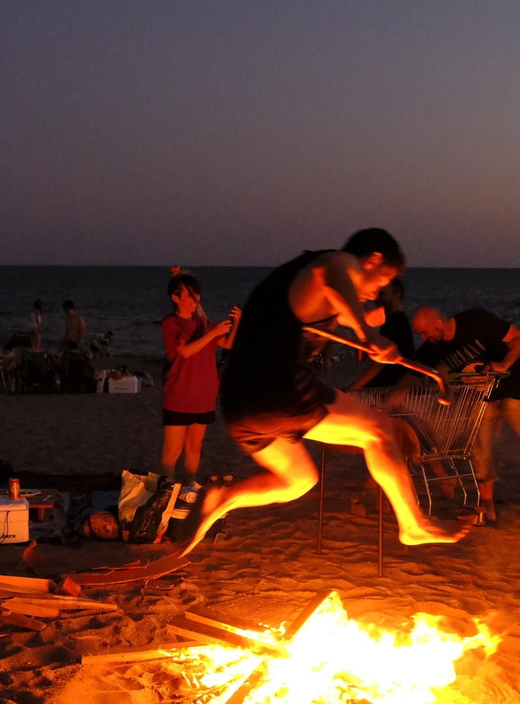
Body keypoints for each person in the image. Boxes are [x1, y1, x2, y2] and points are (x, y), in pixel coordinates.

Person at [184, 228, 464, 553]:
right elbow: (330, 273)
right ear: (372, 260)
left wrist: (368, 325)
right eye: (381, 281)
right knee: (378, 429)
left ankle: (226, 497)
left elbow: (345, 310)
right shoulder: (335, 261)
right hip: (278, 389)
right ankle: (414, 524)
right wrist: (368, 334)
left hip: (240, 403)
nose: (376, 291)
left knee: (299, 479)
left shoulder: (303, 289)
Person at [413, 304, 520, 525]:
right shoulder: (433, 348)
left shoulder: (476, 320)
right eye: (420, 334)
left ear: (439, 323)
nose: (424, 337)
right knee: (480, 454)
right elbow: (413, 370)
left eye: (425, 332)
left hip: (514, 390)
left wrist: (503, 364)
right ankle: (486, 509)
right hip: (479, 400)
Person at [161, 272, 239, 486]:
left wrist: (236, 324)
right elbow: (185, 351)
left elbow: (229, 344)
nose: (196, 298)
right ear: (175, 298)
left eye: (197, 293)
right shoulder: (171, 322)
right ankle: (166, 495)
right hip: (179, 394)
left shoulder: (204, 322)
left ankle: (188, 487)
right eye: (190, 294)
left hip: (204, 394)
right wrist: (212, 334)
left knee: (194, 447)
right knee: (172, 451)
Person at [346, 279, 413, 390]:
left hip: (389, 385)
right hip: (390, 384)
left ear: (397, 296)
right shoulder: (394, 321)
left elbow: (378, 365)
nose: (377, 297)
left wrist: (354, 387)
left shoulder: (396, 322)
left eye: (382, 294)